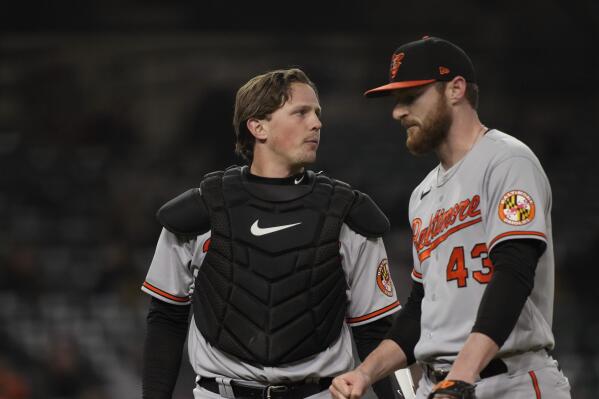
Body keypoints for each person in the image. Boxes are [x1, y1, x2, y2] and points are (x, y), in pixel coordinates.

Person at [329, 36, 571, 399]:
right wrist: (364, 374)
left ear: (456, 88)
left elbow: (514, 272)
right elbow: (420, 310)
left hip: (509, 381)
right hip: (440, 385)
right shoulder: (422, 195)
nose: (398, 112)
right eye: (397, 102)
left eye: (411, 98)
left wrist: (460, 377)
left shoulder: (507, 162)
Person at [141, 68, 401, 399]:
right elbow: (166, 318)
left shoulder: (346, 215)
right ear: (258, 126)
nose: (317, 123)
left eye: (317, 114)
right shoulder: (202, 211)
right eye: (301, 112)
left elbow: (374, 331)